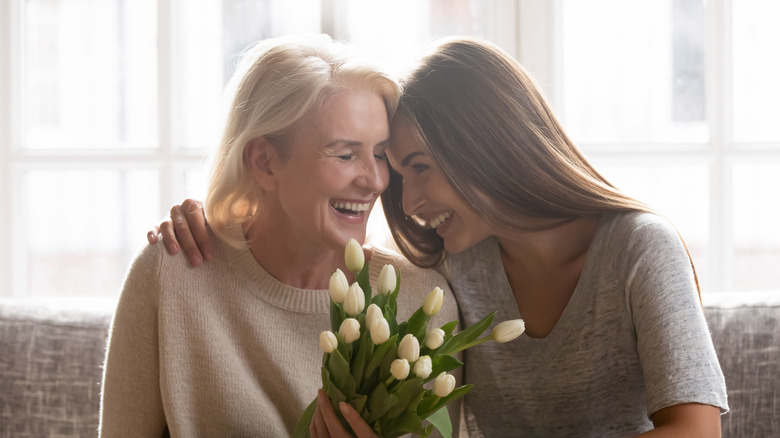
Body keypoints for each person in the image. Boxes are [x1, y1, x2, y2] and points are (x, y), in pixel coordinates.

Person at [154, 37, 728, 437]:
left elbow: (697, 431)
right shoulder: (454, 273)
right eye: (398, 174)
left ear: (484, 145)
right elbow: (322, 224)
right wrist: (221, 221)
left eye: (420, 168)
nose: (405, 201)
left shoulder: (637, 249)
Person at [100, 34, 460, 437]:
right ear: (265, 162)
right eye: (345, 154)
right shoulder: (171, 275)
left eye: (380, 153)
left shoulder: (423, 305)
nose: (376, 180)